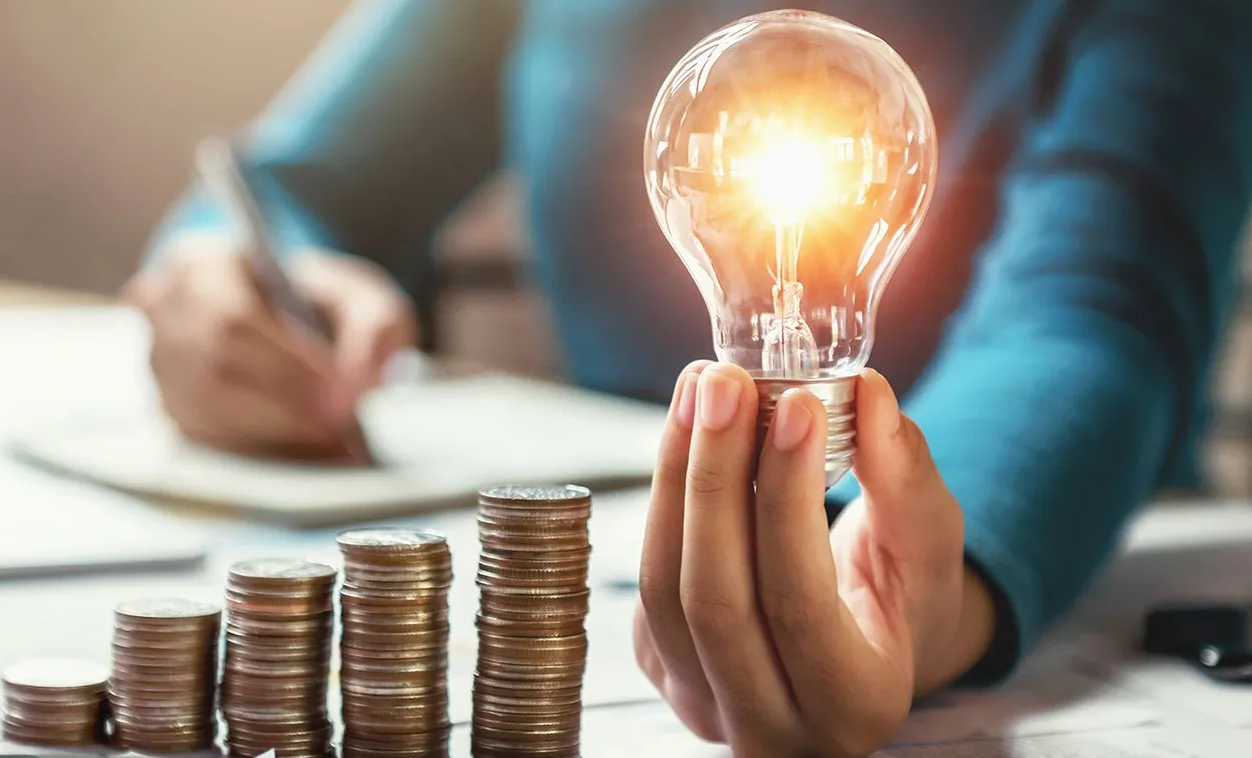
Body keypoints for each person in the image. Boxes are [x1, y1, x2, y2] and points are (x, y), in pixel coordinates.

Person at [127, 0, 1252, 754]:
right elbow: (292, 182)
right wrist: (221, 277)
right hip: (619, 551)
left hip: (1059, 562)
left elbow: (1092, 313)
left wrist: (930, 583)